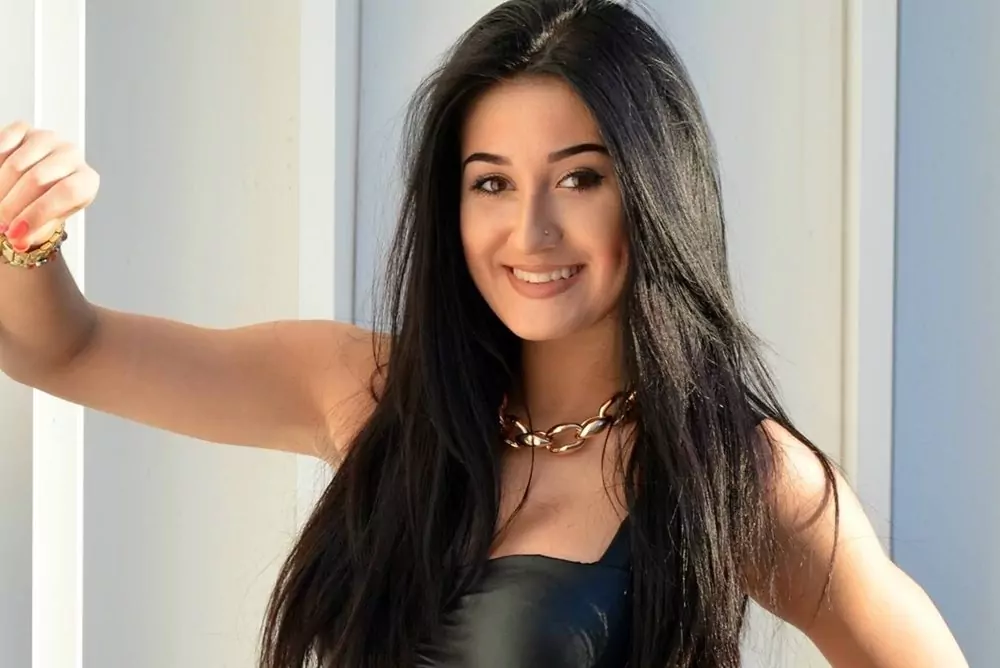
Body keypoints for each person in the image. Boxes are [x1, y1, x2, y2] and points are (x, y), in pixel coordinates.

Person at [0, 1, 968, 666]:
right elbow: (64, 349)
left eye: (580, 178)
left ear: (655, 191)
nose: (530, 231)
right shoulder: (367, 392)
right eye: (492, 182)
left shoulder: (742, 474)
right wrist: (23, 232)